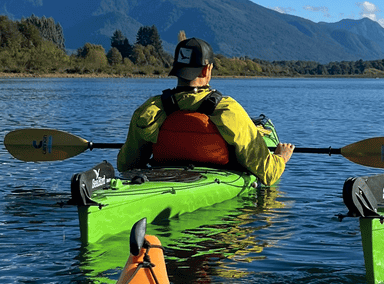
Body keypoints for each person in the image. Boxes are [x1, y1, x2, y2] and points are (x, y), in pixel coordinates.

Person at [116, 37, 294, 184]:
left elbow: (126, 165)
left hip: (158, 181)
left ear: (177, 69)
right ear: (207, 69)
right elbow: (268, 174)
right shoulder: (228, 111)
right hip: (216, 184)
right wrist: (280, 158)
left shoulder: (150, 110)